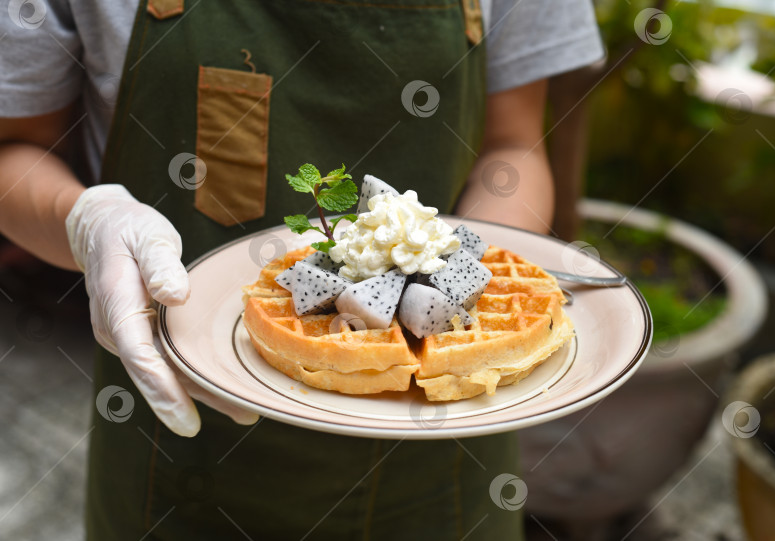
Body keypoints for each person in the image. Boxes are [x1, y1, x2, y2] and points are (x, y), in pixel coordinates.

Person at [0, 0, 603, 539]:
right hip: (182, 445)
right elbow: (16, 150)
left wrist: (471, 269)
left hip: (446, 449)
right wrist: (86, 220)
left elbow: (514, 143)